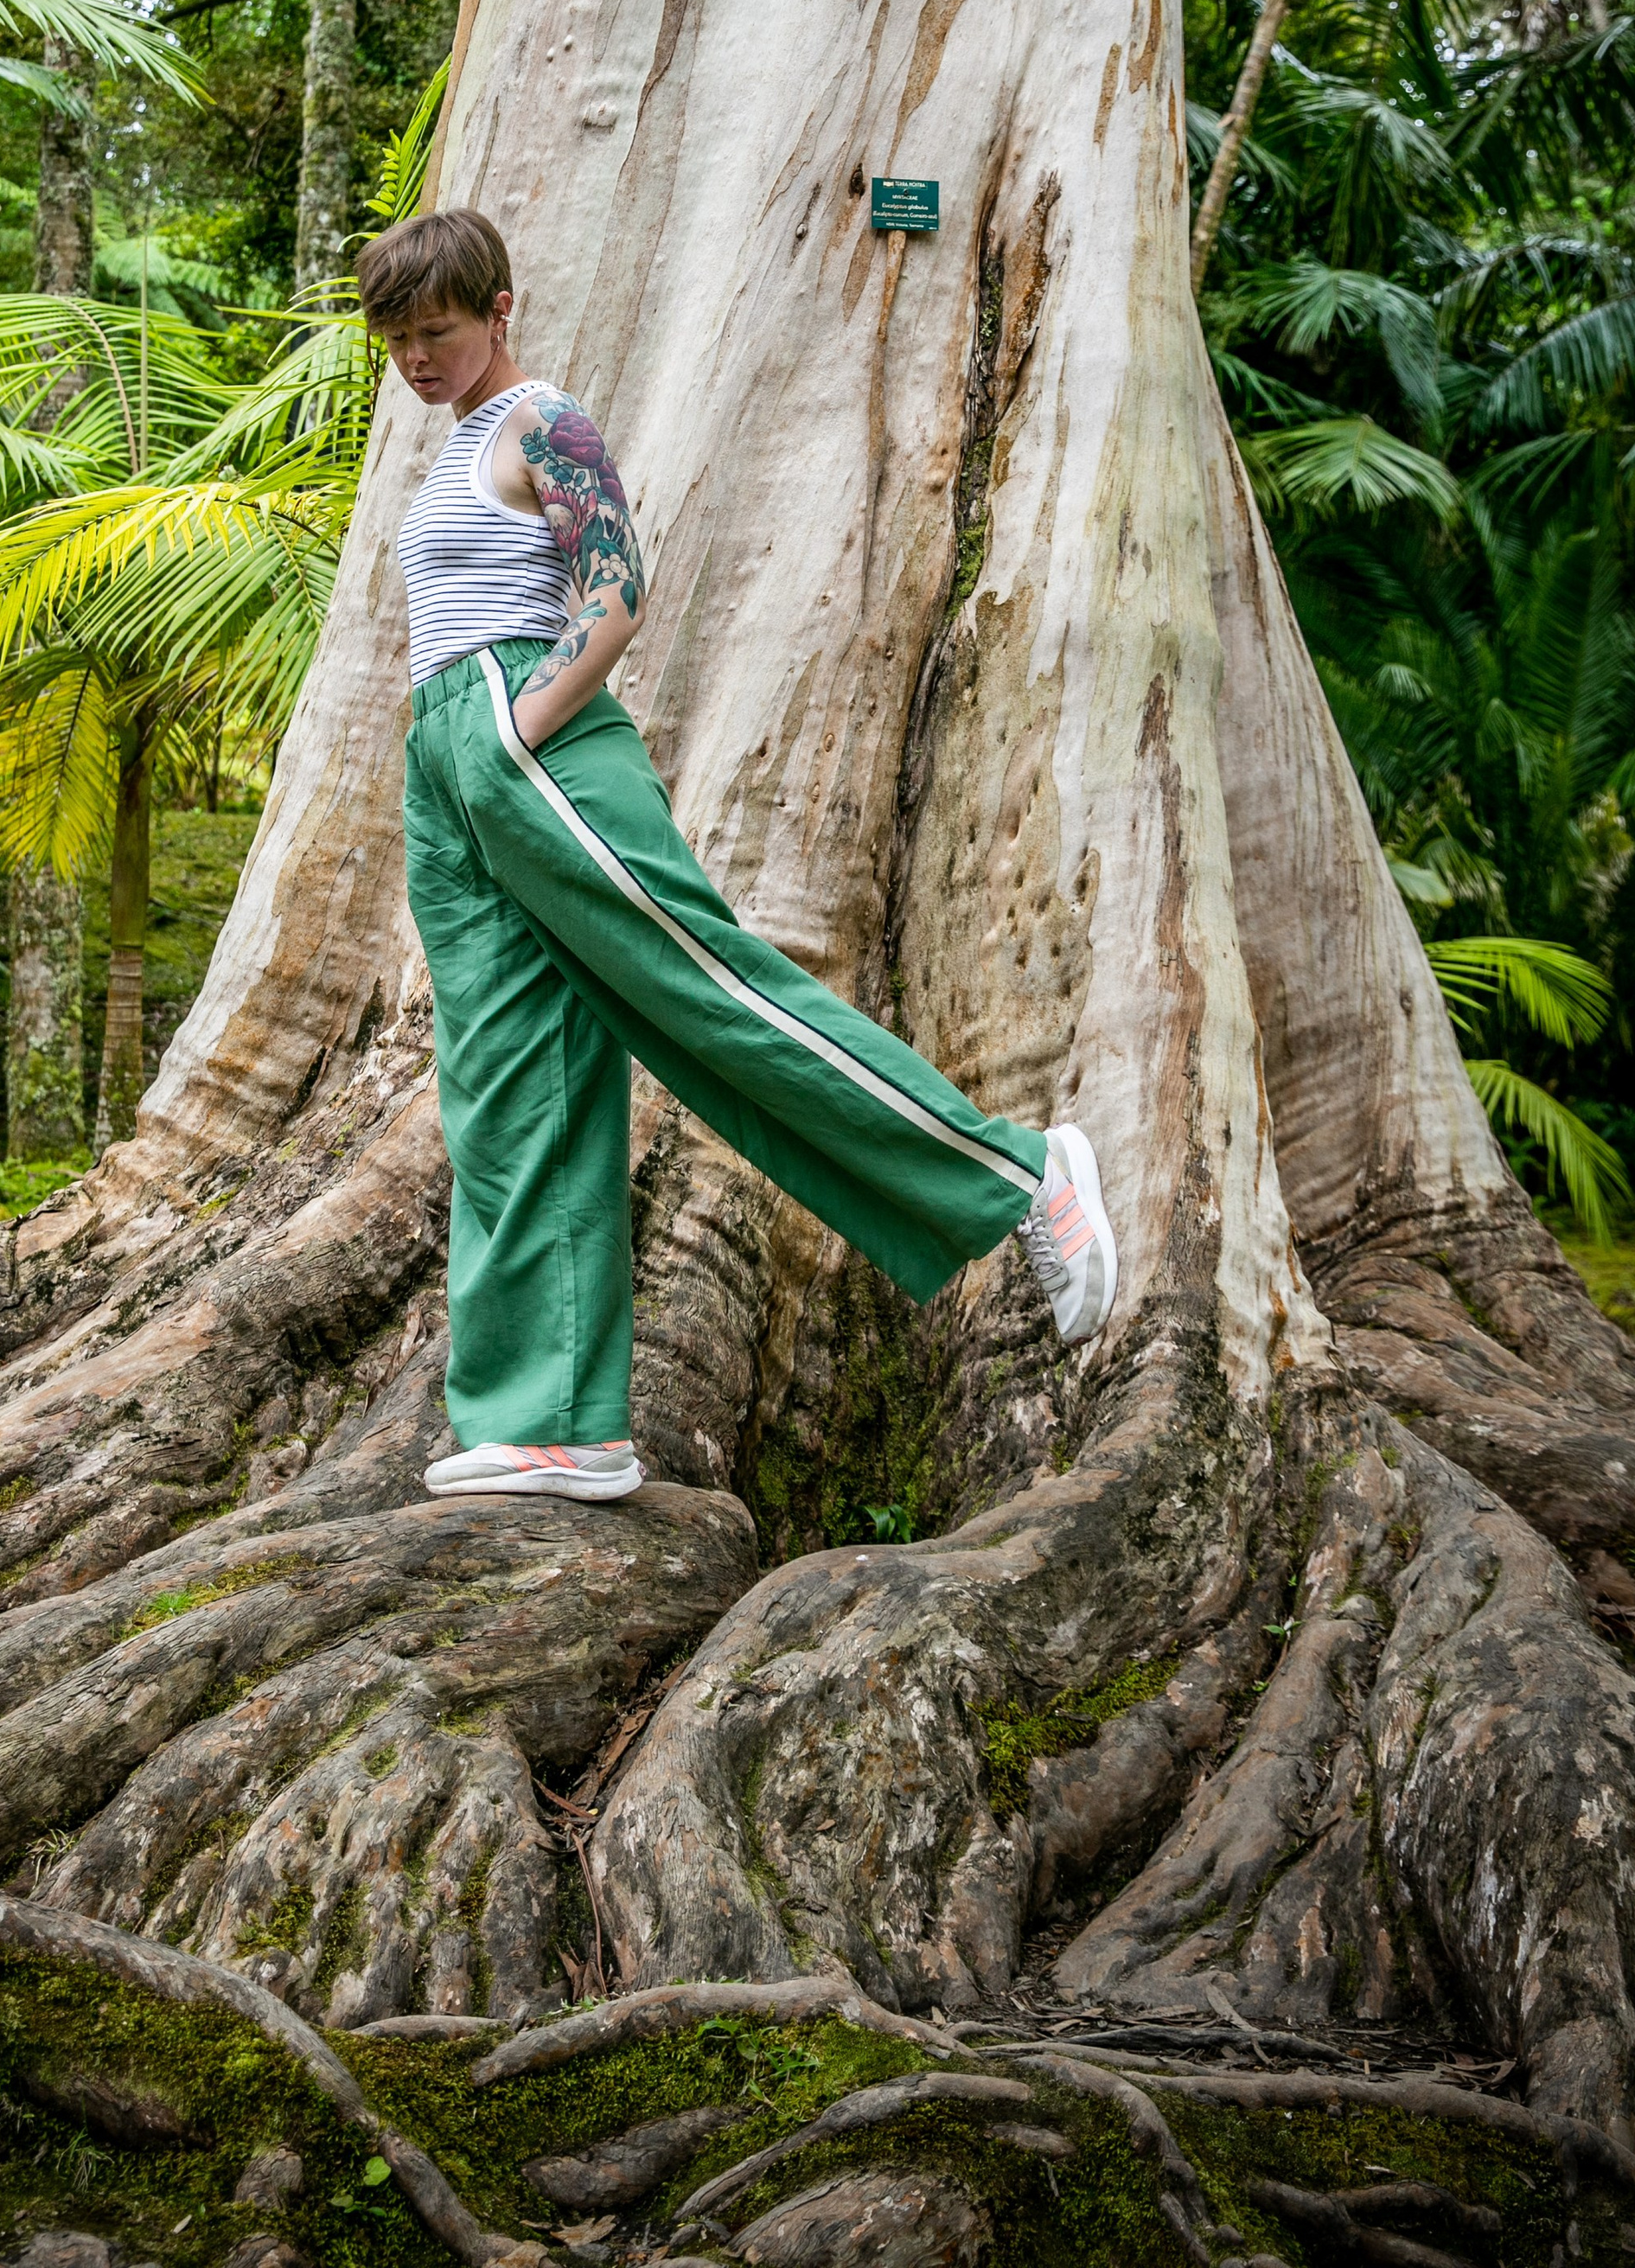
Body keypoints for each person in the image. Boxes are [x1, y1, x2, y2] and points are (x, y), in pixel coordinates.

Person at [362, 206, 1118, 1506]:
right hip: (450, 759)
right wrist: (463, 755)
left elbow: (615, 585)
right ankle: (557, 1422)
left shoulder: (546, 418)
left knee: (706, 993)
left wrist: (515, 733)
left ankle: (1019, 1174)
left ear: (500, 312)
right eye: (399, 341)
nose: (420, 358)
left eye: (439, 331)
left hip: (517, 731)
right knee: (503, 1074)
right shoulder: (454, 451)